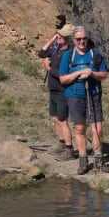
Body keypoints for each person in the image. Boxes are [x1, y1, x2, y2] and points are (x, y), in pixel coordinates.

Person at [59, 26, 109, 175]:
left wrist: (91, 73)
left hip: (94, 94)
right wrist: (79, 72)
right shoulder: (68, 55)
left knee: (97, 128)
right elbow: (63, 78)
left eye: (84, 38)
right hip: (74, 96)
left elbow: (104, 74)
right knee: (80, 128)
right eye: (78, 39)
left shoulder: (96, 54)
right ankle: (83, 160)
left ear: (88, 38)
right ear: (73, 40)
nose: (82, 41)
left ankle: (99, 160)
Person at [37, 23, 76, 160]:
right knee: (55, 118)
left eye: (62, 35)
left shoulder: (70, 53)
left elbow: (62, 74)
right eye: (58, 34)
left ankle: (69, 149)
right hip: (53, 88)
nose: (59, 37)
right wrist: (53, 39)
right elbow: (41, 53)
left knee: (62, 120)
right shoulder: (56, 47)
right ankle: (61, 143)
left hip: (62, 90)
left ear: (69, 38)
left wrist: (48, 69)